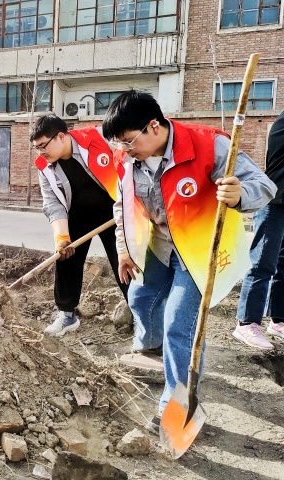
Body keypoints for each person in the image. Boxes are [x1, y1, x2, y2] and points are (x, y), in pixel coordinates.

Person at [102, 89, 276, 432]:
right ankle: (153, 351)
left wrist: (240, 194)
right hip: (160, 243)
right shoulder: (129, 161)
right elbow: (122, 207)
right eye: (119, 144)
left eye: (127, 141)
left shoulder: (209, 146)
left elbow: (264, 185)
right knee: (140, 297)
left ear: (154, 127)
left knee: (179, 325)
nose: (123, 150)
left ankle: (178, 403)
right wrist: (123, 250)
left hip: (198, 251)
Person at [30, 115, 128, 336]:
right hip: (76, 215)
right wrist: (61, 237)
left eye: (43, 146)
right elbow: (53, 204)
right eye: (36, 148)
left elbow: (129, 164)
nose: (41, 152)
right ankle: (66, 315)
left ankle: (140, 311)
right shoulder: (44, 167)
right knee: (66, 258)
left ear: (61, 136)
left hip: (114, 210)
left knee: (126, 258)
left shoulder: (99, 138)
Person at [234, 110, 284, 349]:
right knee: (262, 262)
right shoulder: (281, 124)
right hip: (273, 202)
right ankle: (246, 323)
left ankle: (278, 320)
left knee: (282, 263)